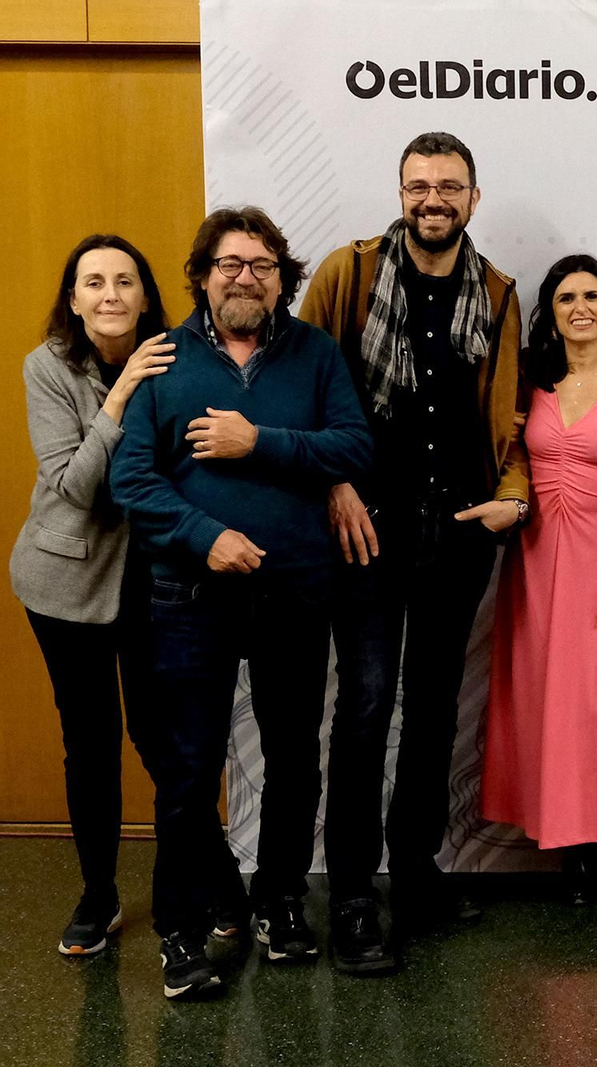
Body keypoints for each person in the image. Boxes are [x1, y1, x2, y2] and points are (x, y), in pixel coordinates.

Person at [110, 207, 372, 999]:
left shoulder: (316, 353)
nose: (245, 275)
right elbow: (132, 481)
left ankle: (281, 902)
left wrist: (258, 440)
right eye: (230, 263)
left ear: (282, 277)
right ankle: (182, 933)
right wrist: (204, 535)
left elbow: (354, 446)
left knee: (295, 759)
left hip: (295, 591)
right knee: (188, 770)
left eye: (261, 263)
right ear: (201, 274)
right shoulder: (164, 360)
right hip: (190, 593)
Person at [296, 131, 527, 972]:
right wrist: (332, 484)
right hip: (363, 527)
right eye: (420, 185)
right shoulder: (347, 273)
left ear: (474, 196)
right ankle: (354, 893)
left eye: (451, 187)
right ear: (400, 192)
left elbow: (512, 409)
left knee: (433, 711)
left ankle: (417, 871)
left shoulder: (498, 291)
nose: (435, 199)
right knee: (362, 704)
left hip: (458, 530)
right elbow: (302, 388)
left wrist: (514, 494)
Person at [11, 235, 199, 956]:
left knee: (164, 739)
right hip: (65, 580)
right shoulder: (47, 366)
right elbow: (75, 486)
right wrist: (121, 394)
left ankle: (198, 883)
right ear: (74, 298)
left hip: (154, 579)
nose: (111, 293)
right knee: (90, 743)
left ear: (147, 296)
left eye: (126, 280)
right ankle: (98, 894)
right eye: (94, 281)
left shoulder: (181, 358)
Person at [482, 255, 597, 906]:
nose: (580, 306)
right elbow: (509, 465)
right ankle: (571, 848)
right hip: (535, 570)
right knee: (550, 707)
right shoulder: (533, 388)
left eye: (592, 295)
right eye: (566, 298)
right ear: (551, 315)